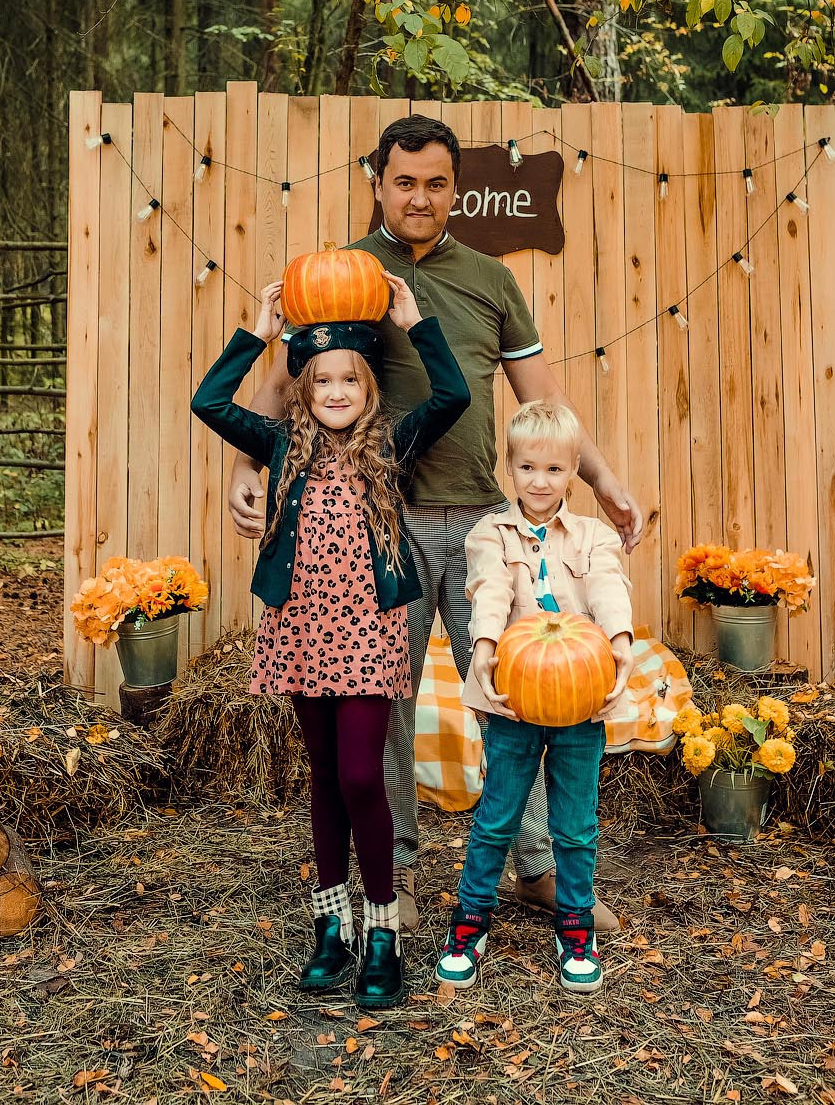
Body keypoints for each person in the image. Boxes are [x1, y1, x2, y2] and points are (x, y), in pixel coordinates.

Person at [228, 115, 643, 933]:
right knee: (382, 701)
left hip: (489, 524)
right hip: (380, 525)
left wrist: (603, 479)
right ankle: (399, 875)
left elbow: (544, 405)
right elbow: (283, 395)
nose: (420, 197)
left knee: (523, 695)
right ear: (376, 180)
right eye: (404, 180)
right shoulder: (338, 277)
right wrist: (246, 470)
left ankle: (533, 867)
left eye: (436, 182)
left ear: (456, 186)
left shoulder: (490, 279)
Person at [191, 275, 470, 1009]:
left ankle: (384, 932)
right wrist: (258, 329)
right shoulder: (280, 443)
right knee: (321, 780)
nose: (338, 390)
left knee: (358, 777)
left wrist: (418, 322)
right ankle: (331, 928)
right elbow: (208, 403)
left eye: (351, 378)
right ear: (302, 387)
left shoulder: (391, 445)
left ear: (369, 386)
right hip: (300, 630)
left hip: (369, 634)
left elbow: (453, 397)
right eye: (323, 380)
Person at [435, 401, 634, 994]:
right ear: (510, 470)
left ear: (574, 470)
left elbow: (606, 585)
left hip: (579, 703)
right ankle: (470, 922)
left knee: (575, 825)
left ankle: (575, 924)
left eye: (553, 470)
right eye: (527, 469)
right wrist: (487, 645)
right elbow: (490, 588)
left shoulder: (595, 536)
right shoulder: (490, 533)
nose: (539, 482)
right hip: (514, 700)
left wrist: (619, 639)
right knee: (496, 817)